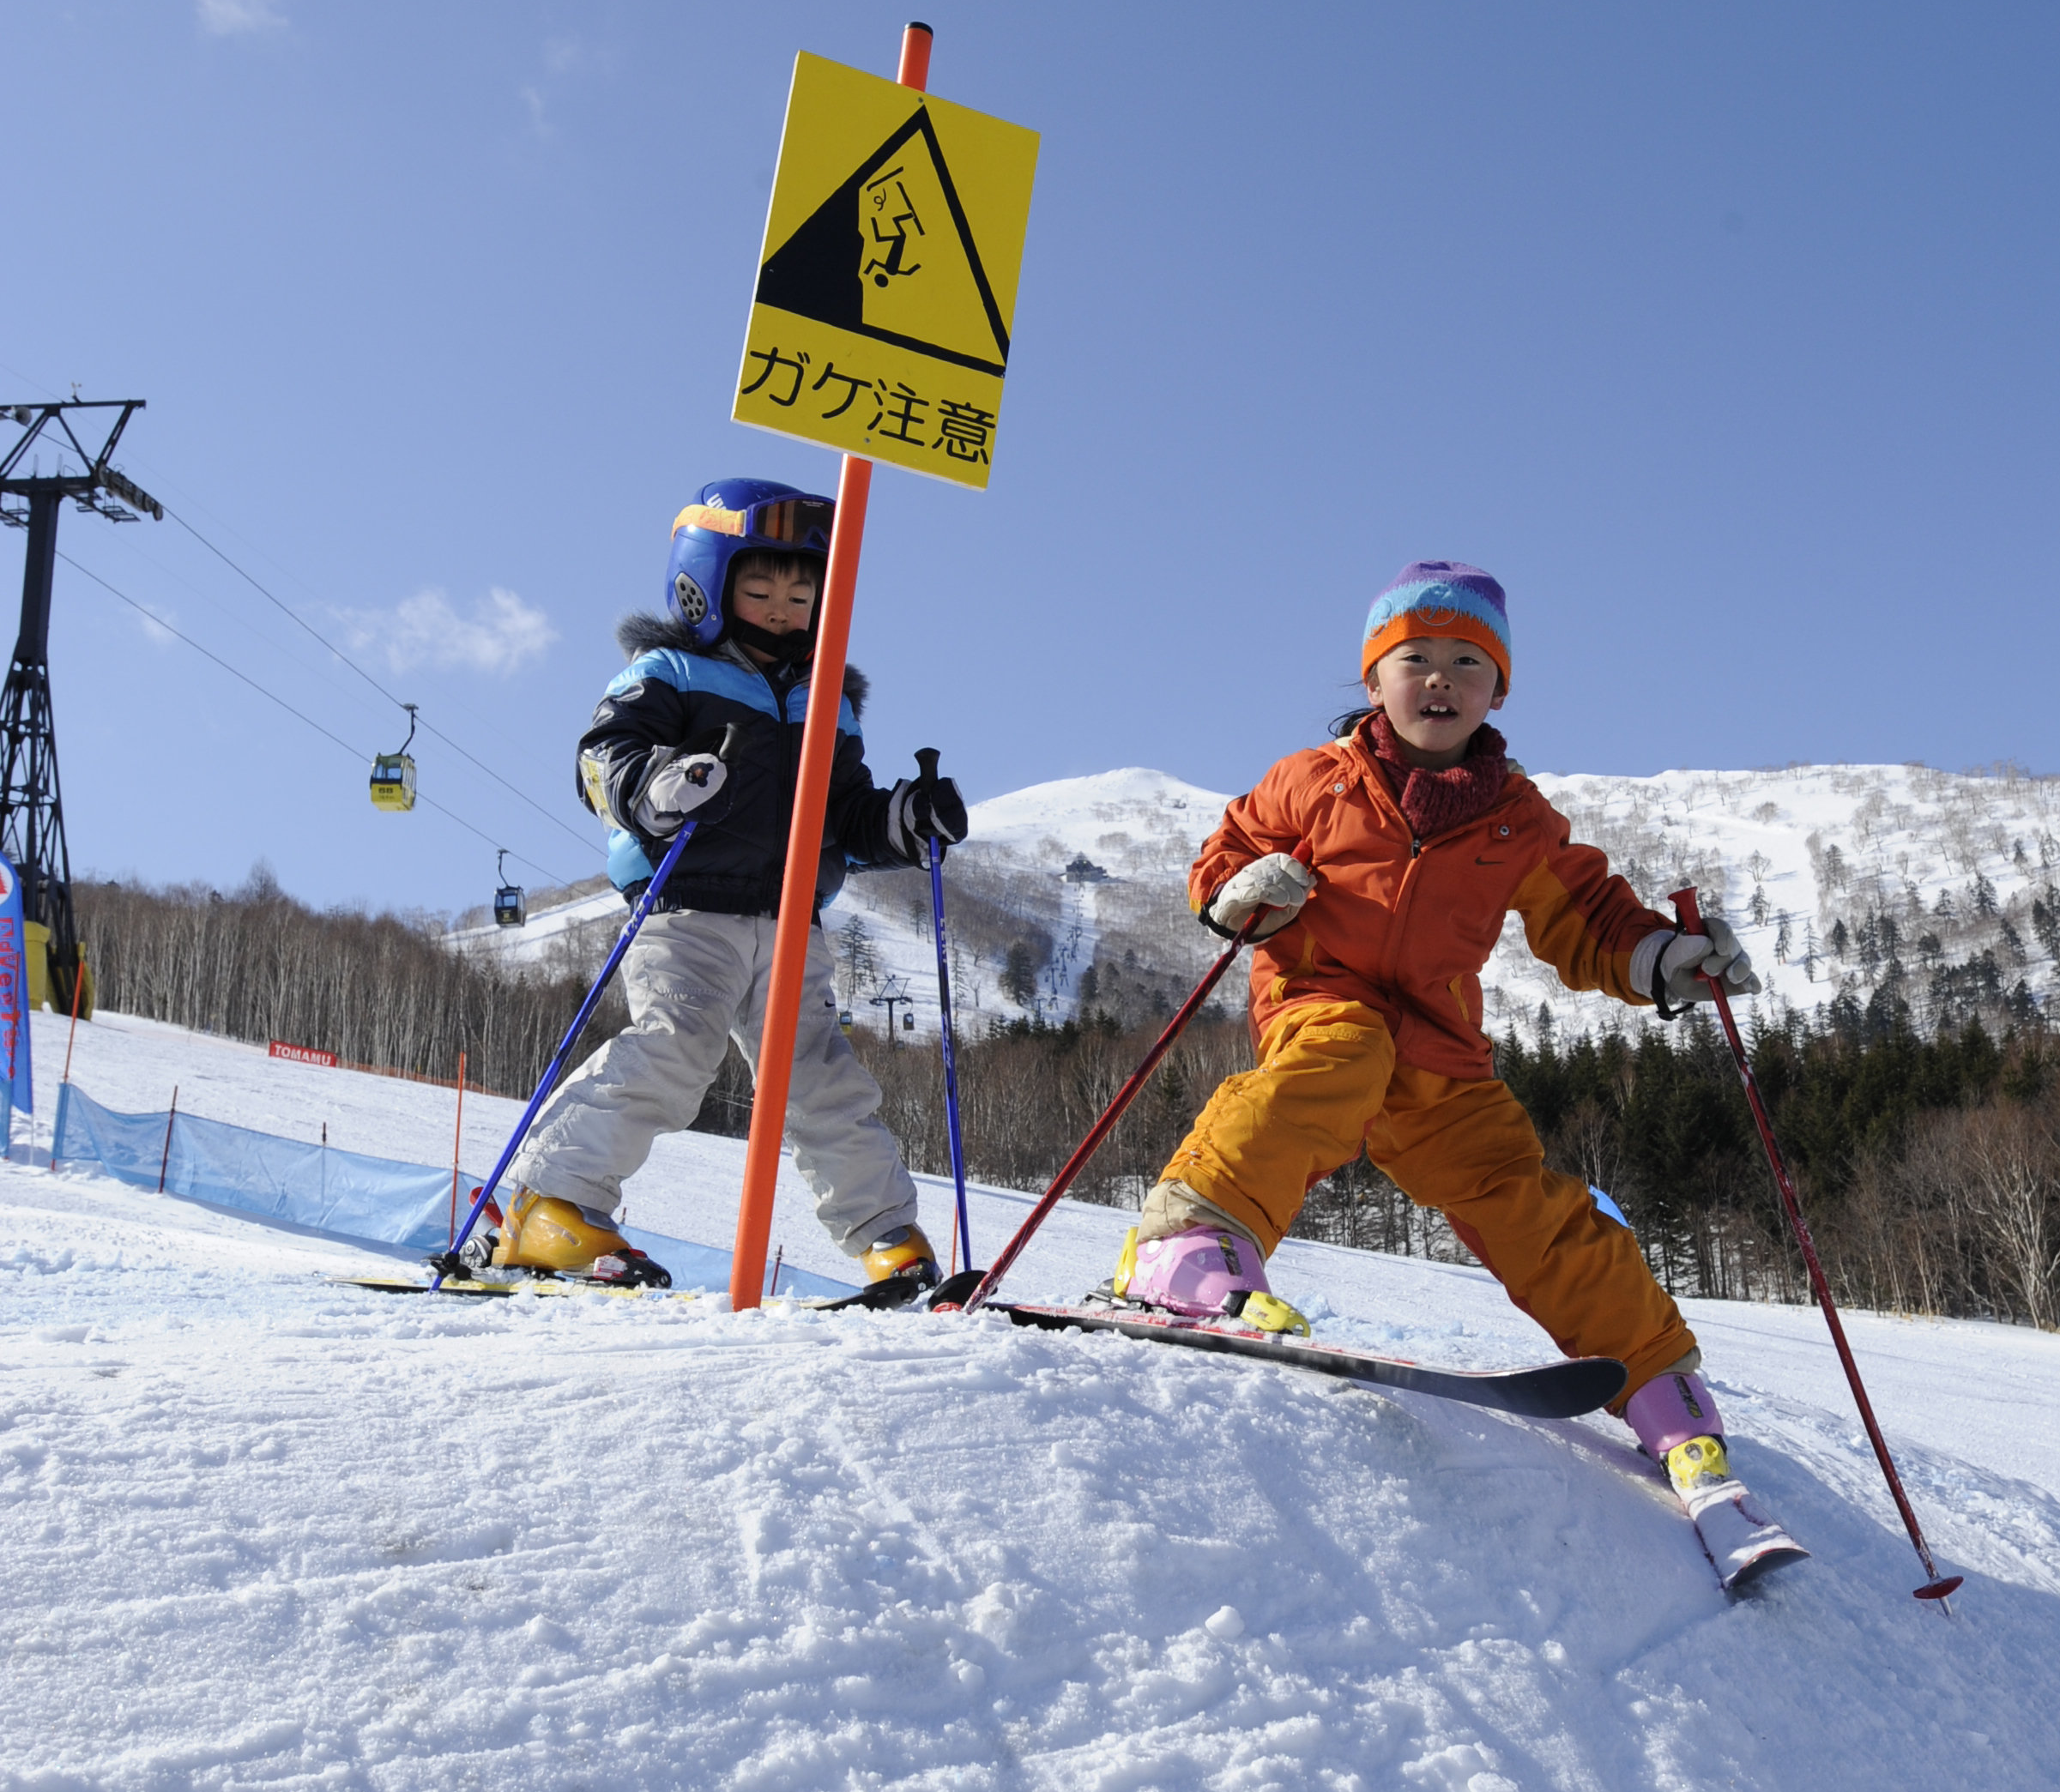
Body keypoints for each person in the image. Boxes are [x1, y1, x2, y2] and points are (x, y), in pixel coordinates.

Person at [1115, 558, 1759, 1497]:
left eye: (1468, 662)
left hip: (1439, 1044)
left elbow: (1587, 916)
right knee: (1336, 1061)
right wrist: (1239, 890)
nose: (1440, 679)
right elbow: (1231, 850)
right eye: (1414, 658)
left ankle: (1656, 1375)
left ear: (1498, 690)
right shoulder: (1314, 783)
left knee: (1513, 1187)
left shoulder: (1516, 820)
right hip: (1320, 995)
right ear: (1374, 680)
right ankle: (1186, 1245)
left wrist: (1663, 957)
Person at [486, 480, 966, 1293]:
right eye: (760, 591)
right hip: (689, 908)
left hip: (791, 920)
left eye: (801, 595)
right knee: (673, 1051)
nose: (782, 610)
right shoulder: (669, 671)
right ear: (704, 587)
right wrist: (658, 786)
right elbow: (600, 759)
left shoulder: (828, 699)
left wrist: (905, 820)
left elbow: (844, 812)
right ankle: (551, 1205)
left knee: (823, 1079)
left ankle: (889, 1237)